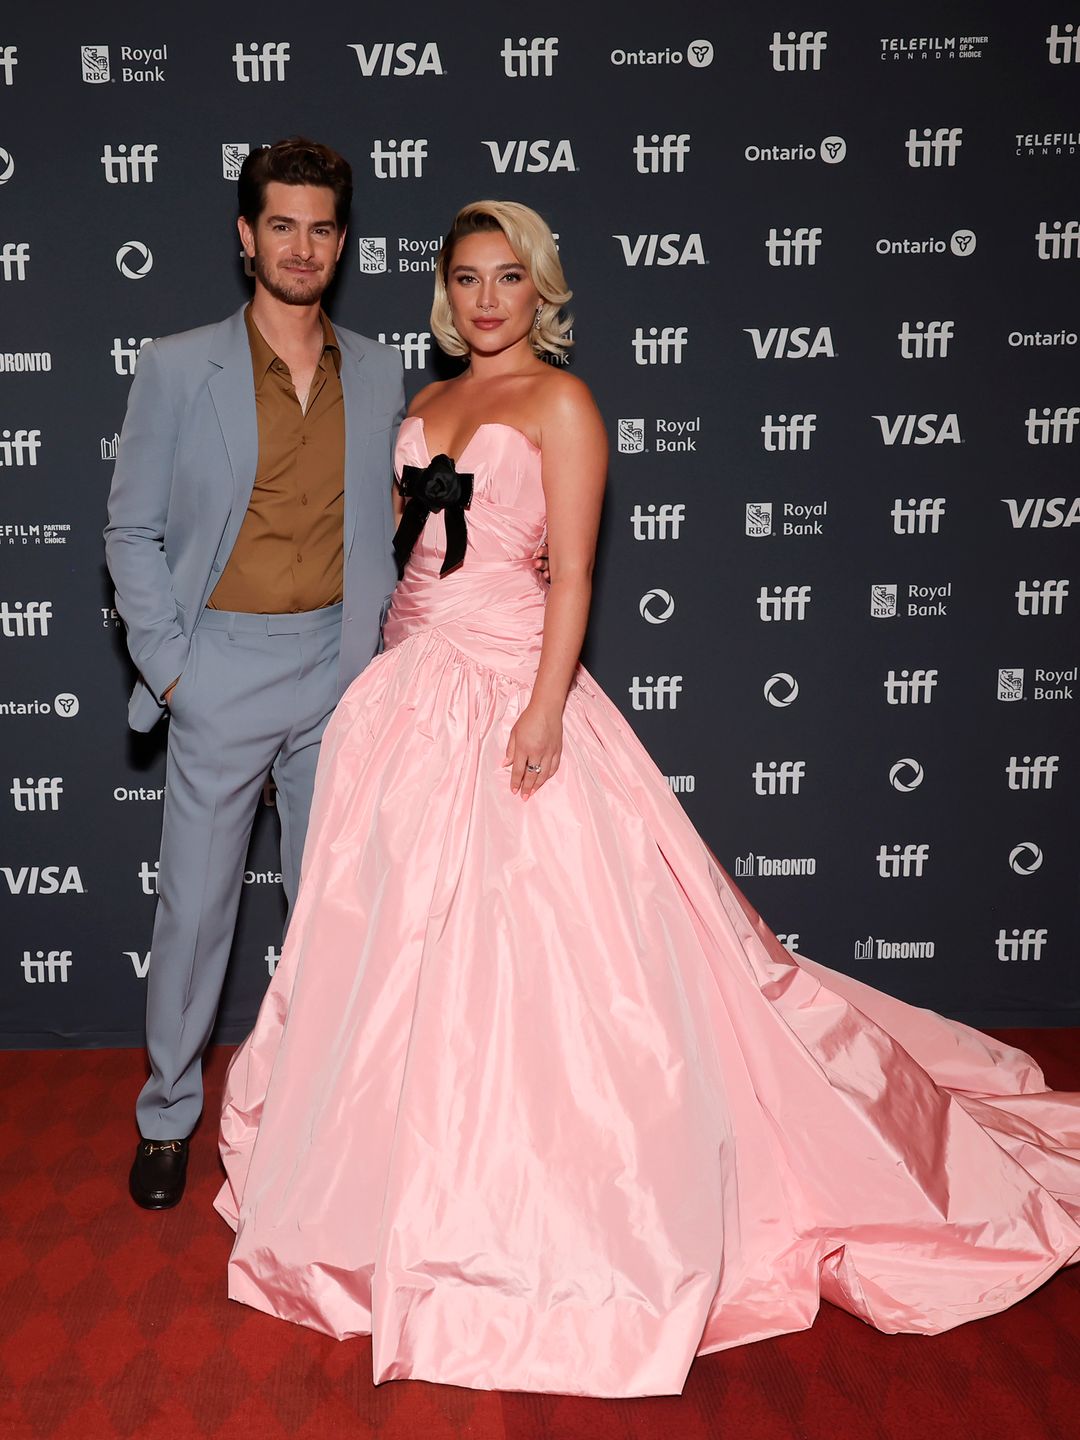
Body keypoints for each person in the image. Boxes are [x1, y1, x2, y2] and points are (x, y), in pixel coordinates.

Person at [215, 200, 1080, 1397]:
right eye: (465, 279)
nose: (484, 301)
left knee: (557, 970)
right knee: (388, 953)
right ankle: (376, 1187)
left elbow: (569, 569)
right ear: (444, 293)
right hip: (404, 700)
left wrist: (543, 705)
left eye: (507, 279)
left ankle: (558, 1198)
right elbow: (410, 559)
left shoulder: (564, 406)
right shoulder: (425, 407)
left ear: (541, 289)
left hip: (516, 690)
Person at [105, 138, 403, 1210]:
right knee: (195, 911)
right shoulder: (180, 365)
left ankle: (319, 1114)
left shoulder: (379, 370)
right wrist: (177, 673)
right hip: (221, 665)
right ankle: (168, 1115)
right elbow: (131, 529)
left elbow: (393, 525)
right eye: (282, 224)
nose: (303, 245)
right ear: (246, 237)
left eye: (323, 226)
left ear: (342, 240)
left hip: (340, 670)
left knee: (331, 911)